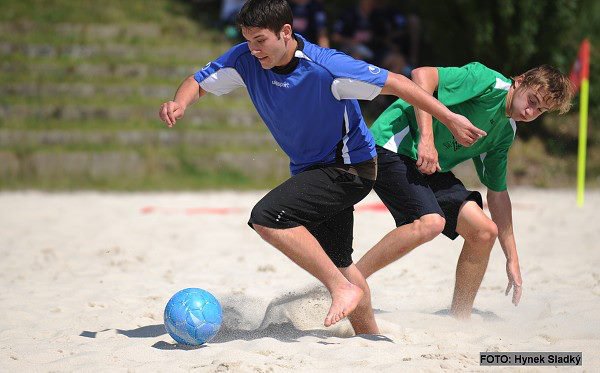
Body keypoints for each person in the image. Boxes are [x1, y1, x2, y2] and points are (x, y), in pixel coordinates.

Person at [159, 0, 482, 334]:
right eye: (248, 40)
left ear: (285, 32)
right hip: (311, 170)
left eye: (260, 41)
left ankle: (340, 289)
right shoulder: (244, 58)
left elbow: (399, 83)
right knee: (342, 262)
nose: (253, 49)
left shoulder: (327, 67)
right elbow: (198, 80)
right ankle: (369, 335)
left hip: (350, 167)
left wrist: (450, 118)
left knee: (268, 218)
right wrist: (179, 102)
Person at [356, 62, 573, 318]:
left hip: (428, 166)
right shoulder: (487, 81)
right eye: (533, 100)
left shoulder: (505, 132)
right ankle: (349, 282)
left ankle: (459, 319)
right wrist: (427, 139)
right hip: (391, 144)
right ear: (520, 81)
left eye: (540, 110)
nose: (530, 112)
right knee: (430, 222)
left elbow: (498, 193)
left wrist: (512, 258)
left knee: (484, 232)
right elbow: (421, 75)